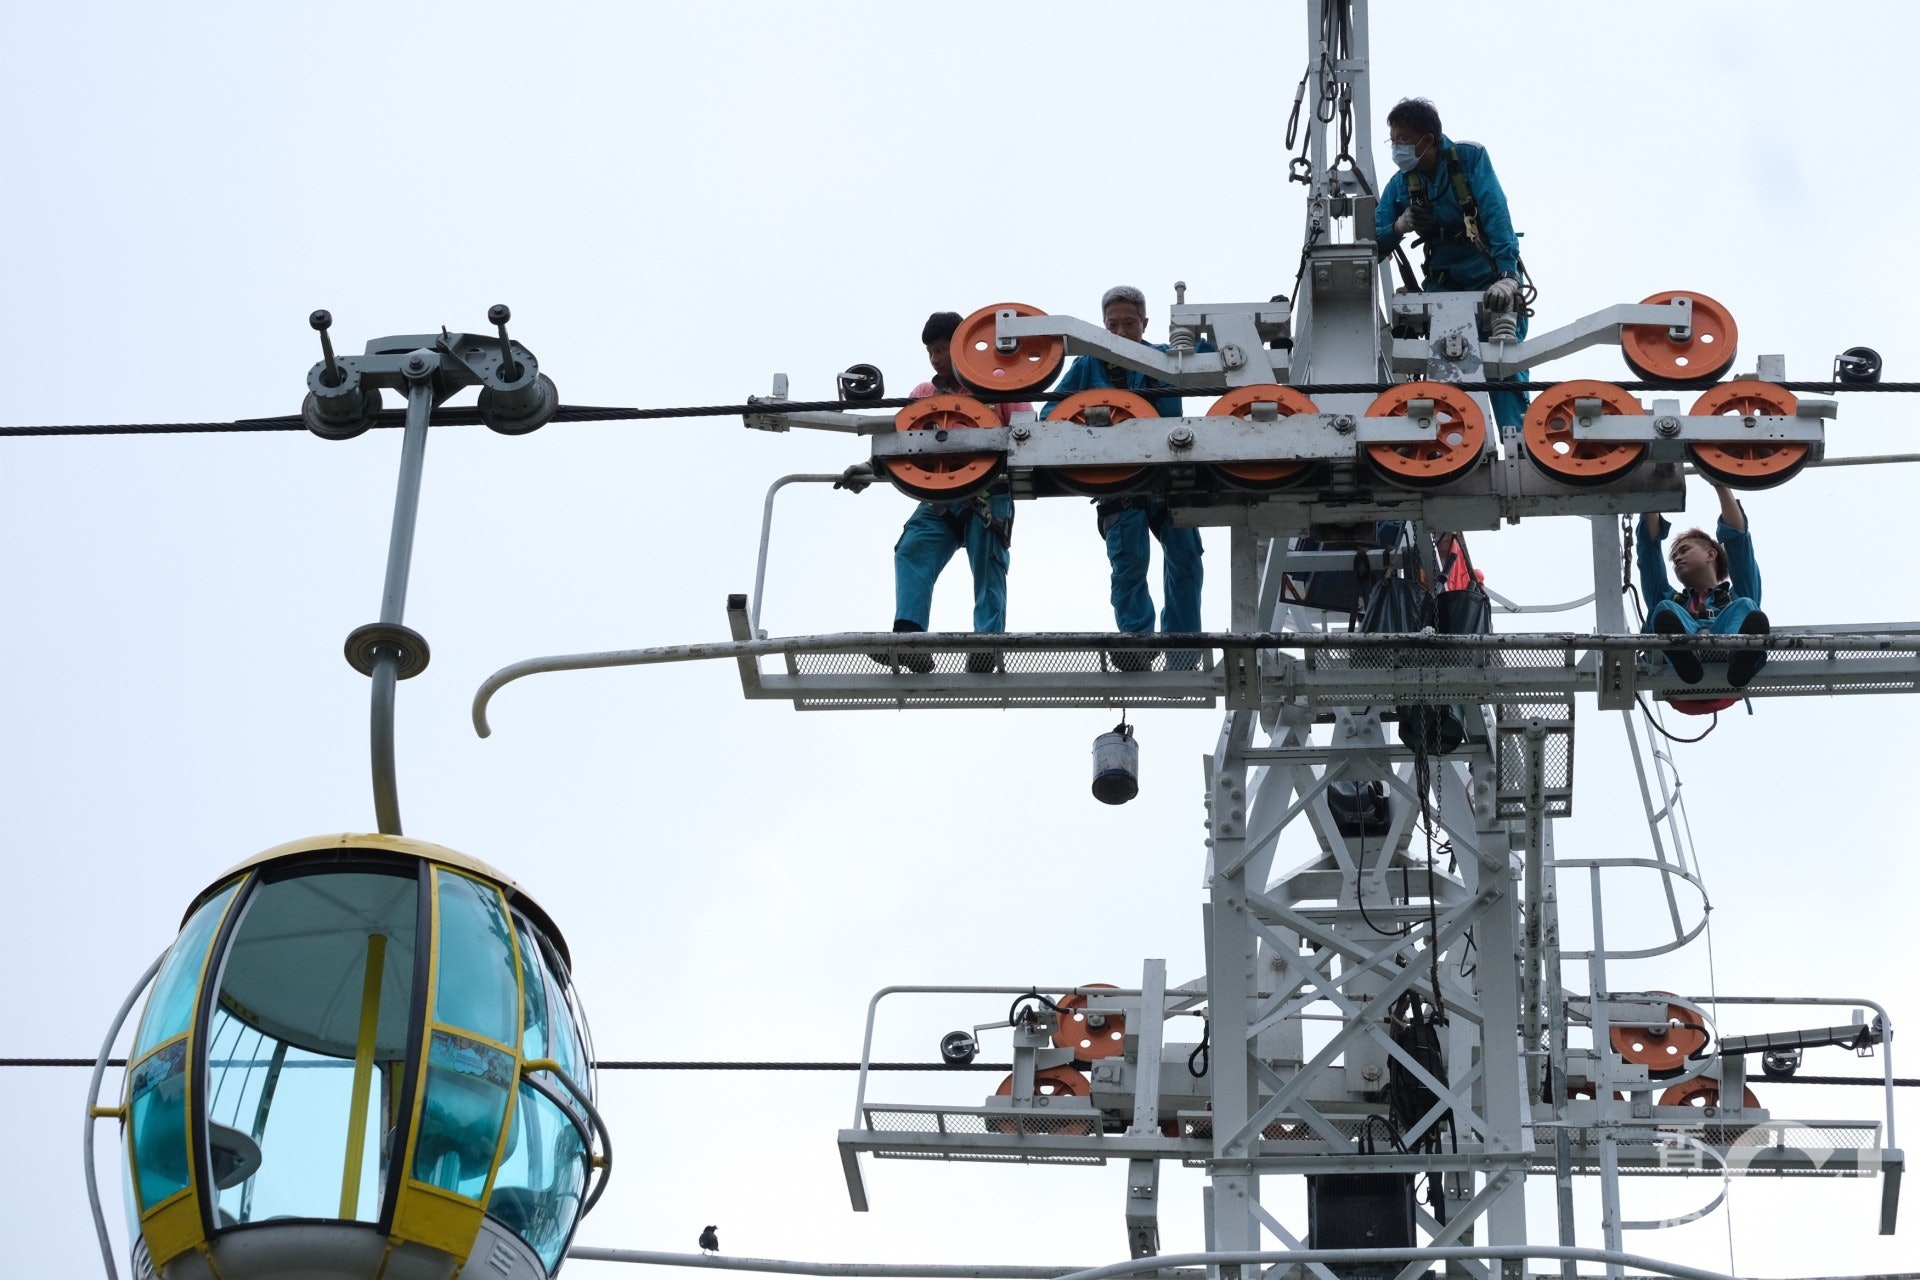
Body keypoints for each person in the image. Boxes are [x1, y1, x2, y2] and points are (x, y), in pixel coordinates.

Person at [837, 310, 1030, 673]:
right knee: (912, 549)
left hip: (989, 493)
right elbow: (901, 444)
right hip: (939, 498)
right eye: (931, 352)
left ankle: (987, 646)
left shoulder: (997, 386)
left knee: (988, 564)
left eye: (943, 349)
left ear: (962, 347)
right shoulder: (923, 396)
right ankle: (910, 638)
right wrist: (869, 468)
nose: (937, 359)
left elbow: (1028, 434)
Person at [1046, 285, 1204, 670]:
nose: (1119, 332)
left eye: (1128, 323)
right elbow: (1051, 412)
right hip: (1120, 484)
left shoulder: (1165, 359)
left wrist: (1220, 337)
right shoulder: (1085, 366)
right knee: (1129, 564)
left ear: (1143, 324)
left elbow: (1206, 358)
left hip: (1169, 478)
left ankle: (1182, 653)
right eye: (1112, 324)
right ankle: (1137, 644)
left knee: (1186, 562)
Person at [1373, 98, 1529, 431]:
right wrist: (1399, 227)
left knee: (1503, 368)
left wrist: (1507, 276)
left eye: (1402, 140)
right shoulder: (1400, 185)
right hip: (1444, 286)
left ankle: (1522, 449)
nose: (1396, 148)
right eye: (1393, 140)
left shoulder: (1469, 159)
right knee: (1448, 369)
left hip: (1490, 281)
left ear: (1426, 140)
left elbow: (1496, 214)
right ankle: (1454, 450)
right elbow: (1371, 245)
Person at [1637, 483, 1769, 689]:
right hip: (1683, 677)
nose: (1677, 559)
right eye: (1674, 557)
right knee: (1663, 609)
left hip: (1730, 677)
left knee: (1746, 605)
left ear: (1710, 554)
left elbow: (1739, 542)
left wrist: (1720, 483)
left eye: (1684, 550)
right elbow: (1649, 553)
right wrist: (1655, 485)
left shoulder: (1734, 598)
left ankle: (1741, 657)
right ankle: (1685, 656)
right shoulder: (1670, 601)